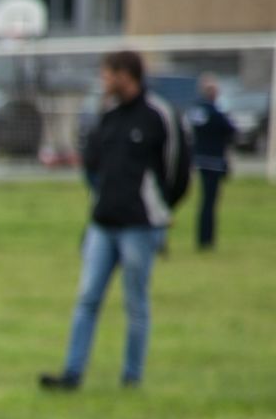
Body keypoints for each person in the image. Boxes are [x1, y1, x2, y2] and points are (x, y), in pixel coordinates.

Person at [40, 51, 191, 391]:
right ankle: (72, 374)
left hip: (139, 226)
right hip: (101, 224)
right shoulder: (106, 114)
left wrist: (160, 211)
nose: (104, 81)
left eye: (108, 74)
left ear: (127, 75)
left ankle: (131, 378)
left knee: (135, 303)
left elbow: (178, 170)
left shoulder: (159, 115)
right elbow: (92, 163)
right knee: (87, 298)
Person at [188, 75, 236, 252]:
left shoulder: (195, 110)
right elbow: (231, 129)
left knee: (204, 202)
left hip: (200, 161)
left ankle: (202, 238)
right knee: (210, 202)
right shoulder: (215, 112)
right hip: (214, 161)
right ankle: (207, 240)